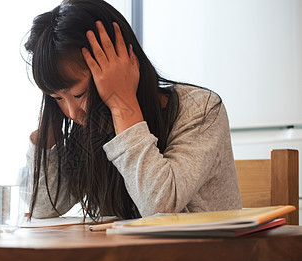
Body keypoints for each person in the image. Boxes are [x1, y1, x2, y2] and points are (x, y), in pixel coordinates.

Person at [24, 0, 241, 221]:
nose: (71, 112)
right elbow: (43, 207)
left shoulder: (201, 110)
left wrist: (121, 102)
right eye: (58, 98)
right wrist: (50, 122)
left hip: (198, 254)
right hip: (126, 255)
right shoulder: (89, 124)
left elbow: (160, 208)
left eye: (79, 94)